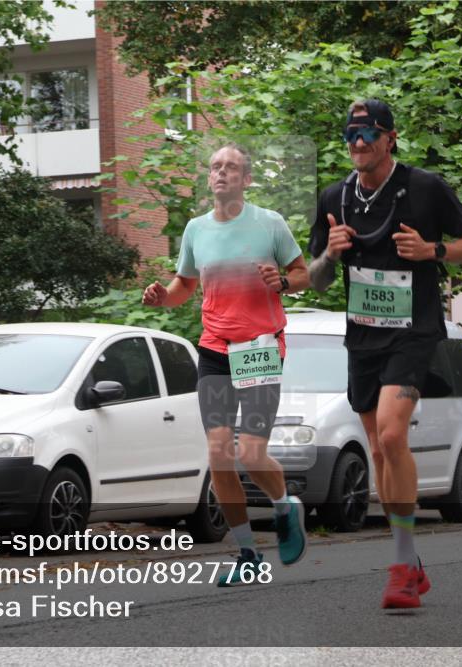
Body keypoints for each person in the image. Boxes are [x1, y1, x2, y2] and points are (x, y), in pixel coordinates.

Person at [308, 100, 462, 608]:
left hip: (414, 333)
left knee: (391, 431)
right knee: (380, 447)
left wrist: (433, 252)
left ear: (390, 139)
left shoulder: (425, 188)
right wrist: (331, 253)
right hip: (362, 338)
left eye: (369, 133)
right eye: (351, 134)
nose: (358, 142)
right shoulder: (334, 198)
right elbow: (316, 281)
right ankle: (408, 562)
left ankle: (402, 564)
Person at [142, 143, 310, 586]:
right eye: (215, 166)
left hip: (258, 347)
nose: (221, 173)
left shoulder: (270, 224)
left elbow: (302, 275)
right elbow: (184, 285)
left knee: (251, 454)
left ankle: (285, 506)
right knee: (218, 454)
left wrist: (284, 282)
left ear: (246, 179)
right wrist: (165, 298)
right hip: (215, 349)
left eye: (231, 167)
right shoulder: (196, 229)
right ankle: (248, 553)